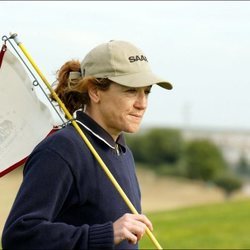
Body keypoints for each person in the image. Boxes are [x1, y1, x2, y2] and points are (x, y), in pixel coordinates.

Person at [2, 40, 173, 249]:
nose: (142, 103)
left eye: (146, 91)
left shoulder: (121, 150)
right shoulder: (61, 150)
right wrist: (107, 234)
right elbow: (19, 235)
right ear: (95, 91)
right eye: (130, 90)